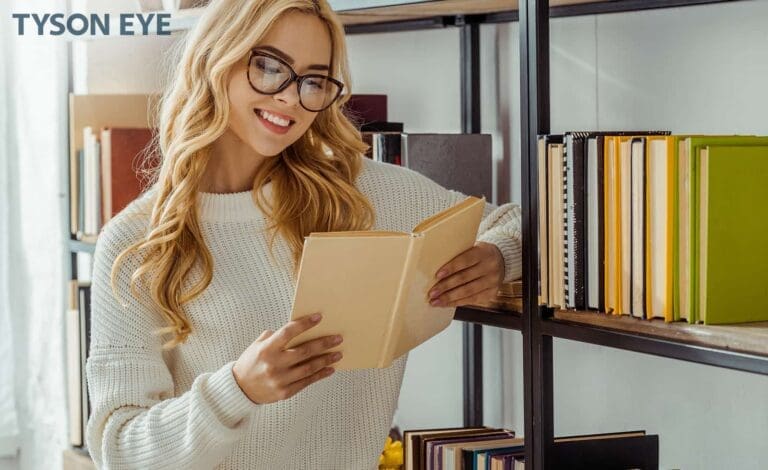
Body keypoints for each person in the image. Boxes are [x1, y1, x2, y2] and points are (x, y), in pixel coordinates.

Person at [84, 0, 522, 468]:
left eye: (314, 80)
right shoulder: (136, 243)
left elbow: (514, 221)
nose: (291, 98)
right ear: (217, 58)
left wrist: (500, 256)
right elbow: (120, 448)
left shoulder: (363, 194)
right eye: (270, 67)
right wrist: (237, 390)